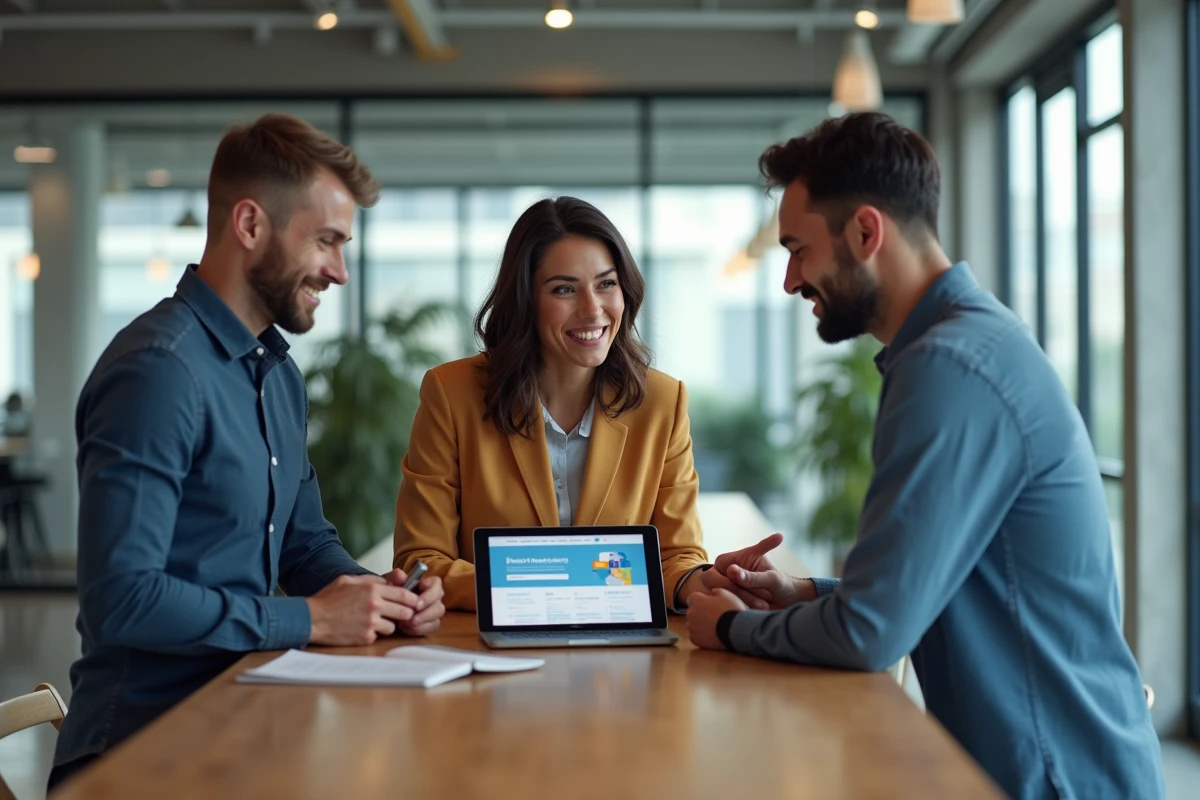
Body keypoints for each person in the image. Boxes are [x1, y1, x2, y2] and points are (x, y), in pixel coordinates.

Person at [685, 113, 1164, 800]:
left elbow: (870, 634)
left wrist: (734, 627)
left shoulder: (949, 367)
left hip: (1055, 778)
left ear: (865, 232)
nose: (789, 280)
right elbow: (931, 586)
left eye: (798, 249)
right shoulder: (968, 343)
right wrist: (807, 595)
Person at [50, 113, 445, 791]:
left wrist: (377, 597)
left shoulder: (277, 375)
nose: (340, 272)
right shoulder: (159, 370)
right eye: (325, 241)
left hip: (244, 717)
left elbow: (304, 544)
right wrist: (310, 618)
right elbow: (121, 597)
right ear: (251, 224)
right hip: (141, 752)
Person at [393, 196, 709, 611]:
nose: (593, 310)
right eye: (564, 289)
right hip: (486, 638)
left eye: (606, 284)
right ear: (525, 299)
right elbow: (420, 561)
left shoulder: (663, 402)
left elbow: (677, 556)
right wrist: (567, 583)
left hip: (617, 642)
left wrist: (706, 582)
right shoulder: (451, 394)